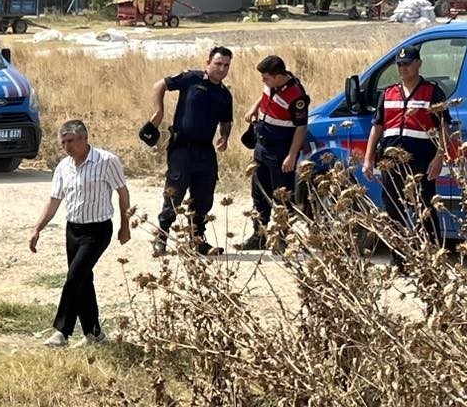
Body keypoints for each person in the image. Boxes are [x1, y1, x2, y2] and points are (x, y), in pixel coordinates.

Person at [28, 120, 131, 347]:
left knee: (74, 278)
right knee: (83, 279)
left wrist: (126, 225)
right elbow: (54, 200)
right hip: (73, 229)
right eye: (63, 142)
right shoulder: (63, 167)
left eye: (71, 141)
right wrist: (37, 228)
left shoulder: (106, 161)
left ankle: (61, 332)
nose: (67, 146)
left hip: (98, 229)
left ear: (84, 138)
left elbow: (123, 193)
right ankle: (94, 334)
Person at [146, 46, 234, 256]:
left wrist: (224, 137)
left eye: (226, 65)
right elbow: (160, 85)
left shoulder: (224, 95)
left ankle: (196, 239)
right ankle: (162, 235)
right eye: (218, 64)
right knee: (174, 193)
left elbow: (226, 120)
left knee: (203, 197)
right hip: (182, 147)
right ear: (208, 62)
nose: (222, 69)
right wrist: (159, 111)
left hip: (205, 151)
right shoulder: (192, 79)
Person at [362, 44, 451, 246]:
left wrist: (439, 158)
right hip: (391, 162)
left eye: (407, 64)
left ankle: (432, 255)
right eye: (400, 64)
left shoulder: (432, 93)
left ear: (418, 64)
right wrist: (368, 159)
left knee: (425, 210)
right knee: (393, 211)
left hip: (420, 162)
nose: (403, 68)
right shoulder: (388, 93)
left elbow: (444, 129)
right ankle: (400, 260)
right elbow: (377, 128)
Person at [241, 55, 310, 250]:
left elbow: (301, 127)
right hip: (262, 145)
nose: (263, 81)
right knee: (258, 192)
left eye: (266, 77)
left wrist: (291, 155)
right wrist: (254, 109)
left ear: (279, 76)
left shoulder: (297, 96)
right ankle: (259, 235)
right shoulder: (272, 84)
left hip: (280, 150)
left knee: (281, 195)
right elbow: (265, 94)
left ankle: (282, 237)